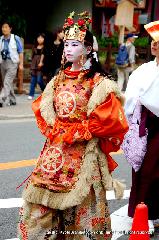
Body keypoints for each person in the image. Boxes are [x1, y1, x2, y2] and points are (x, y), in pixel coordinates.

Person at [17, 11, 128, 240]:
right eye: (66, 44)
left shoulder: (99, 83)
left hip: (84, 153)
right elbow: (46, 109)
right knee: (40, 210)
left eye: (74, 44)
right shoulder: (58, 79)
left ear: (88, 49)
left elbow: (109, 119)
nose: (68, 48)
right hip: (55, 153)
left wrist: (83, 130)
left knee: (83, 213)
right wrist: (57, 127)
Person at [124, 20, 159, 230]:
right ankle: (145, 213)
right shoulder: (144, 69)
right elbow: (131, 97)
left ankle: (151, 212)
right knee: (143, 168)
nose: (154, 44)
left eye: (158, 41)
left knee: (152, 169)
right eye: (153, 41)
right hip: (145, 124)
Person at [0, 20, 23, 107]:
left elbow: (20, 52)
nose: (4, 29)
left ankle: (1, 99)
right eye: (3, 27)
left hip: (13, 63)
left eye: (6, 27)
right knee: (7, 82)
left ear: (10, 29)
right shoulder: (1, 39)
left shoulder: (15, 38)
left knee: (6, 82)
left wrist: (21, 64)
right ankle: (13, 100)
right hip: (3, 63)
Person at [28, 33, 46, 100]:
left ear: (44, 39)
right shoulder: (34, 47)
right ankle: (31, 94)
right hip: (34, 65)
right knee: (33, 80)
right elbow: (32, 56)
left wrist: (42, 63)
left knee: (39, 80)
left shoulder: (45, 47)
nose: (40, 39)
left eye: (41, 38)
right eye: (38, 38)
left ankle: (45, 91)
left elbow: (45, 57)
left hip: (41, 66)